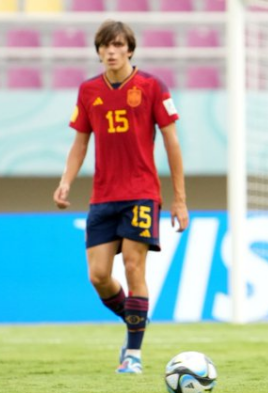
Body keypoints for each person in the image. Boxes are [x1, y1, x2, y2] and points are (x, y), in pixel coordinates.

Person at [53, 20, 189, 374]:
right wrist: (66, 181)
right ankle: (135, 319)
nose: (110, 51)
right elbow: (80, 141)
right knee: (98, 276)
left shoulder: (151, 86)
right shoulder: (87, 91)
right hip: (103, 196)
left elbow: (172, 143)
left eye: (117, 45)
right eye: (104, 46)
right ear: (98, 51)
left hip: (141, 194)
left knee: (133, 264)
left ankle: (133, 353)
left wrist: (179, 199)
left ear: (130, 49)